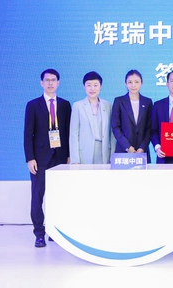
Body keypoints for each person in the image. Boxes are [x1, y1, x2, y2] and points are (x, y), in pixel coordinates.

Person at [23, 68, 71, 248]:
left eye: (53, 80)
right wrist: (30, 158)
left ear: (58, 83)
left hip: (60, 158)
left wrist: (69, 155)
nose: (50, 83)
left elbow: (68, 132)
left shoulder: (65, 105)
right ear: (41, 83)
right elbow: (28, 134)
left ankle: (54, 232)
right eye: (47, 80)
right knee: (37, 198)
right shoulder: (33, 105)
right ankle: (39, 233)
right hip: (40, 159)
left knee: (58, 197)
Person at [69, 71, 114, 164]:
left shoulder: (108, 105)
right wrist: (75, 159)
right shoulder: (78, 106)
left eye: (95, 85)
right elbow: (74, 134)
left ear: (100, 86)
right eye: (89, 85)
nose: (92, 88)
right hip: (84, 152)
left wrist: (112, 156)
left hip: (104, 150)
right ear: (84, 86)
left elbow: (112, 134)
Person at [111, 69, 153, 163]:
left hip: (142, 152)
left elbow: (149, 128)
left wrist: (142, 148)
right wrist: (128, 147)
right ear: (125, 83)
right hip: (123, 151)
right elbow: (115, 127)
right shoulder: (119, 101)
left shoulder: (148, 102)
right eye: (130, 82)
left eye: (136, 82)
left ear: (141, 83)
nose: (133, 85)